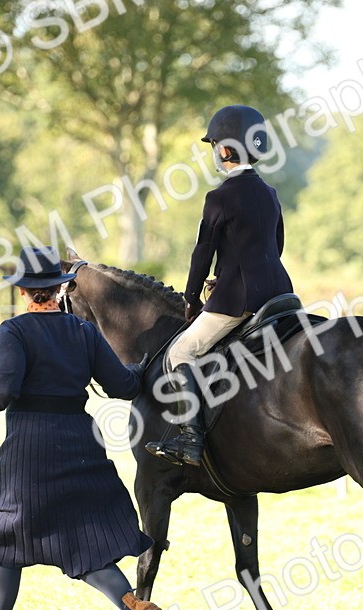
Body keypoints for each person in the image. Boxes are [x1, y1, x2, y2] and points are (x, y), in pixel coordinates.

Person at [0, 246, 162, 610]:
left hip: (29, 446)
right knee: (86, 546)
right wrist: (142, 368)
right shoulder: (84, 332)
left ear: (23, 292)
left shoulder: (13, 332)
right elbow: (123, 387)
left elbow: (4, 390)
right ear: (60, 288)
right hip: (79, 443)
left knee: (6, 542)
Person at [146, 104, 294, 467]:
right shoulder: (269, 193)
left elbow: (202, 253)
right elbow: (273, 246)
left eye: (214, 146)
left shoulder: (220, 196)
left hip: (239, 299)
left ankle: (191, 441)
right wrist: (228, 274)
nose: (213, 153)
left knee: (180, 353)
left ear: (226, 150)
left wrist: (193, 297)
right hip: (280, 292)